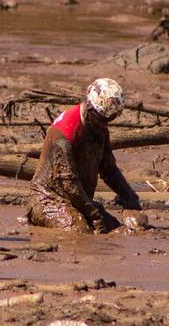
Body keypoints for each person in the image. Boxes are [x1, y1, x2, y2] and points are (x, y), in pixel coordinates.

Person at [27, 78, 141, 233]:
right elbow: (69, 183)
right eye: (101, 119)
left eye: (109, 120)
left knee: (117, 229)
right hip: (47, 199)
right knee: (80, 232)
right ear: (89, 107)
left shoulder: (99, 127)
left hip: (79, 201)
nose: (104, 124)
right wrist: (93, 215)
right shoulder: (64, 135)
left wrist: (130, 197)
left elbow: (108, 168)